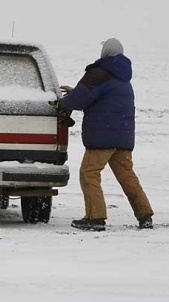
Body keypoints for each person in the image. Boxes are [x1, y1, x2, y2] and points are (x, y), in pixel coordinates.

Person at [58, 38, 153, 231]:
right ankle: (145, 215)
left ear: (105, 52)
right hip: (123, 138)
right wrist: (76, 93)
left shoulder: (98, 73)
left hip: (102, 137)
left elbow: (79, 100)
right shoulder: (123, 77)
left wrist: (61, 103)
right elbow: (101, 96)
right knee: (127, 176)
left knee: (89, 173)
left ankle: (95, 218)